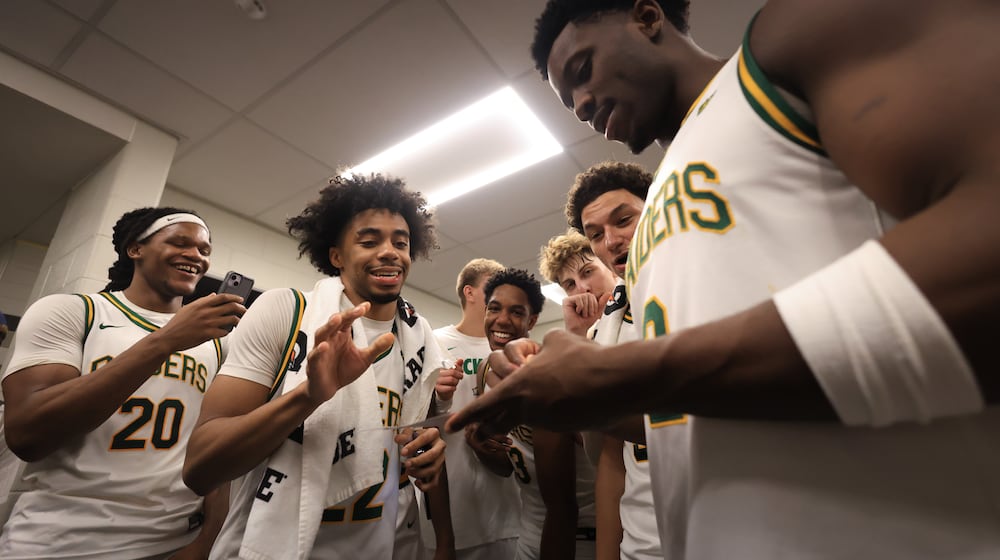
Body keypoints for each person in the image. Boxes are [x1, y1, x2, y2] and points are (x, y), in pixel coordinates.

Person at [450, 1, 1000, 559]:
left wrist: (627, 372)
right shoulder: (655, 220)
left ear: (646, 15)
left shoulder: (784, 44)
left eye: (583, 70)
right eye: (569, 101)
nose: (583, 104)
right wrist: (571, 397)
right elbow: (700, 410)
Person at [183, 173, 452, 560]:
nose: (390, 251)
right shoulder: (287, 312)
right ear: (336, 256)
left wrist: (427, 455)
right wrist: (308, 396)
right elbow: (200, 469)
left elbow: (414, 439)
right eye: (369, 240)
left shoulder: (420, 337)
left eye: (401, 242)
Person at [1, 207, 241, 559]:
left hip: (173, 541)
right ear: (135, 249)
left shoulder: (220, 342)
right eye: (180, 242)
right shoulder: (73, 312)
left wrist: (206, 543)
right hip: (56, 539)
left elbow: (219, 452)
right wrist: (164, 341)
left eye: (205, 250)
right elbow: (27, 435)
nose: (196, 256)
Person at [466, 268, 596, 560]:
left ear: (532, 320)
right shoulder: (487, 371)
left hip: (576, 538)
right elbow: (511, 467)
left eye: (516, 312)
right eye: (494, 309)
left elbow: (561, 507)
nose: (501, 320)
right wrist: (482, 449)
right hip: (529, 533)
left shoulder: (542, 375)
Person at [421, 258, 521, 560]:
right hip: (451, 509)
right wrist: (439, 397)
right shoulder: (433, 342)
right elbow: (417, 425)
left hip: (508, 508)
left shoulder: (515, 348)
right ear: (469, 292)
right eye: (491, 288)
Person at [539, 231, 617, 338]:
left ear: (610, 268)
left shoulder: (643, 299)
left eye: (588, 272)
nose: (582, 289)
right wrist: (577, 333)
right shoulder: (587, 336)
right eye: (571, 284)